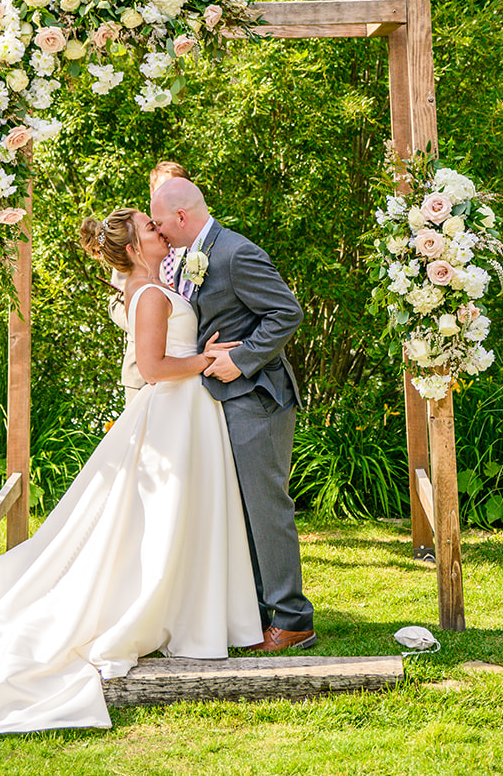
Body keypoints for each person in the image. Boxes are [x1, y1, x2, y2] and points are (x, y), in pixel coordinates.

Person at [0, 208, 258, 732]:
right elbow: (152, 369)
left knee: (176, 519)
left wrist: (196, 355)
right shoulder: (148, 295)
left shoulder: (150, 288)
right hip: (173, 410)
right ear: (131, 249)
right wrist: (203, 358)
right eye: (151, 229)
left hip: (185, 412)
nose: (161, 231)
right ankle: (174, 614)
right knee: (168, 517)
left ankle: (189, 611)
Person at [150, 177, 314, 652]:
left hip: (258, 399)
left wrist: (239, 360)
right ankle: (258, 613)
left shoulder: (235, 252)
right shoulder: (184, 257)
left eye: (161, 223)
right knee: (241, 512)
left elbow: (286, 313)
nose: (158, 233)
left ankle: (293, 618)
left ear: (182, 217)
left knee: (266, 509)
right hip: (219, 401)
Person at [111, 160, 191, 405]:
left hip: (187, 371)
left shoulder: (197, 242)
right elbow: (115, 305)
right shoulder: (135, 240)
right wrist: (153, 323)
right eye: (164, 190)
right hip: (141, 373)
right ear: (152, 194)